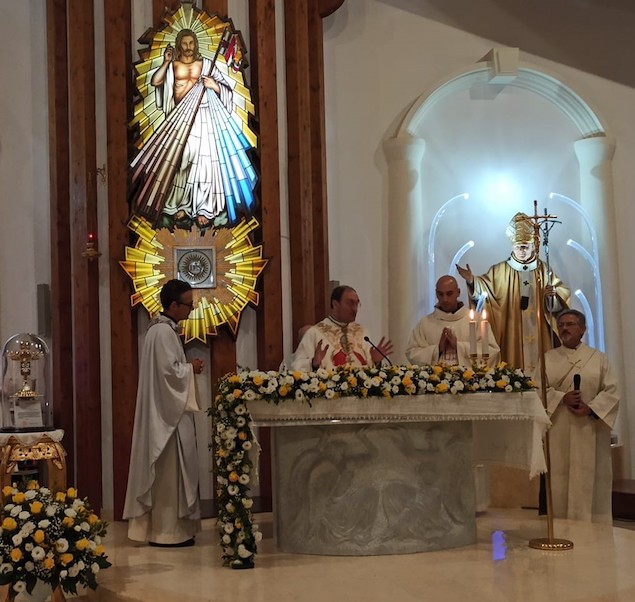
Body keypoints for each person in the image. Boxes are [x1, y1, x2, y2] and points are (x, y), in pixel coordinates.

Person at [132, 28, 257, 228]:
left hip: (204, 116)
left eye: (191, 43)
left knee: (206, 164)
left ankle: (204, 209)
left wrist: (214, 85)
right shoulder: (173, 66)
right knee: (181, 160)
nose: (188, 47)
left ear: (196, 44)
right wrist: (165, 61)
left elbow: (226, 89)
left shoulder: (206, 65)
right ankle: (179, 205)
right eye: (185, 43)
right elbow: (156, 82)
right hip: (180, 118)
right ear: (179, 44)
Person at [123, 279, 205, 546]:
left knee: (176, 476)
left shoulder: (165, 331)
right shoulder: (162, 333)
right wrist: (190, 368)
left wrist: (187, 368)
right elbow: (169, 374)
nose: (191, 310)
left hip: (170, 412)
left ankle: (177, 530)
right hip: (166, 419)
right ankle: (167, 533)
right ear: (173, 305)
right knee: (169, 477)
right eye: (188, 305)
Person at [456, 212, 570, 373]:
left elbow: (561, 295)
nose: (522, 251)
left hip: (540, 332)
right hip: (513, 335)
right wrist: (471, 281)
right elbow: (484, 292)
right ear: (512, 246)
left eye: (525, 246)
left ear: (533, 246)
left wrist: (552, 296)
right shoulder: (500, 271)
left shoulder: (543, 270)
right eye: (518, 247)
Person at [541, 309, 619, 523]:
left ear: (583, 329)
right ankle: (561, 527)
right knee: (560, 479)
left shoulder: (599, 359)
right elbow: (537, 390)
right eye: (561, 325)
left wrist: (591, 408)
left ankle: (597, 530)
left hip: (590, 430)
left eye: (570, 324)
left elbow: (612, 391)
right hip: (559, 431)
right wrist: (560, 398)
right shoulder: (547, 359)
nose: (564, 328)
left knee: (590, 478)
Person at [291, 286, 393, 371]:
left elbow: (370, 369)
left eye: (357, 304)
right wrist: (314, 363)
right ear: (335, 304)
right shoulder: (315, 333)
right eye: (350, 303)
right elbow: (297, 367)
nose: (355, 309)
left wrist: (375, 360)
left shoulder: (362, 332)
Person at [406, 275, 499, 367]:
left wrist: (458, 346)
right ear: (436, 293)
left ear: (458, 292)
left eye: (449, 294)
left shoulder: (477, 320)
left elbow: (492, 351)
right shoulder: (425, 323)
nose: (445, 299)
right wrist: (437, 349)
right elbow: (412, 353)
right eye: (440, 294)